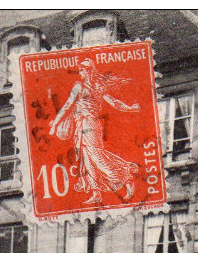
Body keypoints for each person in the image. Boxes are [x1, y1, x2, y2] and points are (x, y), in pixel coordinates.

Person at [48, 58, 141, 205]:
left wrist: (55, 125)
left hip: (89, 124)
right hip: (83, 125)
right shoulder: (97, 87)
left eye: (83, 70)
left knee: (96, 155)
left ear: (89, 71)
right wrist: (129, 108)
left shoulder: (83, 87)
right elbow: (114, 102)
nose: (81, 73)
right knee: (86, 158)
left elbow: (67, 106)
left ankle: (125, 177)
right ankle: (96, 193)